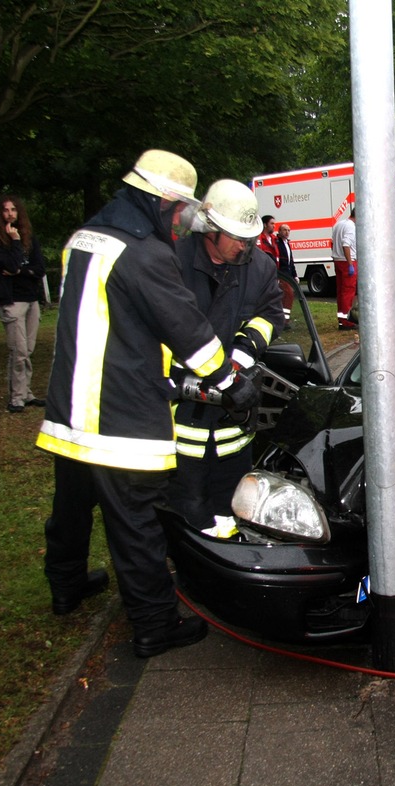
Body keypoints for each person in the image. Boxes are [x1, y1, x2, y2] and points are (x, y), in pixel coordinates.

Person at [36, 149, 260, 659]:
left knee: (71, 505)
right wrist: (228, 381)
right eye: (181, 209)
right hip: (116, 414)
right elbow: (185, 327)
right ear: (161, 200)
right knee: (135, 522)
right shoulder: (142, 252)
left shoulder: (84, 238)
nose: (183, 220)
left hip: (71, 404)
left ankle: (66, 584)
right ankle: (155, 625)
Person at [169, 179, 283, 536]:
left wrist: (242, 354)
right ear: (210, 229)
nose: (246, 245)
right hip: (180, 421)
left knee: (232, 511)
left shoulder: (259, 266)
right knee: (186, 512)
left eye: (250, 237)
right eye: (237, 237)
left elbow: (271, 315)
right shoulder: (172, 262)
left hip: (232, 426)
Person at [0, 195, 46, 413]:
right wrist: (14, 241)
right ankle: (16, 397)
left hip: (31, 300)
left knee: (27, 350)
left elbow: (39, 269)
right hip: (12, 301)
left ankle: (26, 393)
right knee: (18, 351)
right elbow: (9, 263)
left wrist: (20, 271)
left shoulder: (30, 238)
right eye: (5, 210)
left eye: (13, 209)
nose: (10, 213)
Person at [331, 203, 358, 329]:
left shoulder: (339, 224)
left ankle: (342, 319)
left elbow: (333, 242)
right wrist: (350, 264)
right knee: (348, 291)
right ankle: (346, 320)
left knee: (341, 291)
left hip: (337, 260)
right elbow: (346, 244)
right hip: (347, 261)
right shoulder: (351, 227)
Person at [274, 222, 297, 330]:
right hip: (281, 274)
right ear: (279, 231)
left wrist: (295, 275)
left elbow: (290, 261)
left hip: (288, 273)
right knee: (288, 295)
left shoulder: (287, 243)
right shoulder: (277, 243)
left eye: (288, 230)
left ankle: (284, 320)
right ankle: (284, 321)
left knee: (287, 296)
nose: (287, 232)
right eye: (284, 230)